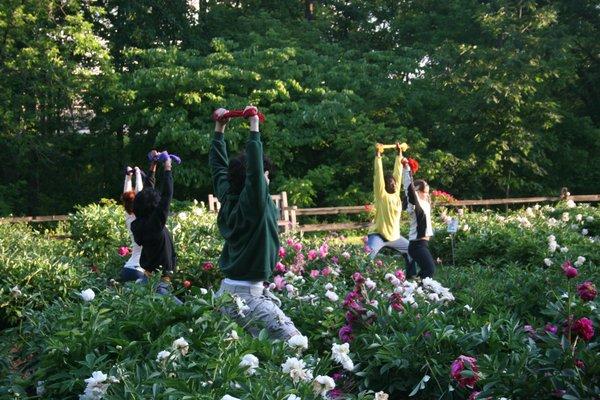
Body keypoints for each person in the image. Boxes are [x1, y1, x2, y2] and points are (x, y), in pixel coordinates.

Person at [210, 106, 301, 340]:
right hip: (247, 295)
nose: (267, 178)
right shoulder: (254, 205)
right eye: (265, 175)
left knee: (256, 355)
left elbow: (218, 168)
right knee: (296, 344)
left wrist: (219, 129)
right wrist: (254, 126)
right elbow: (254, 173)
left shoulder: (228, 196)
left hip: (226, 293)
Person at [130, 153, 180, 301]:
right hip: (160, 284)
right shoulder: (155, 224)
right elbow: (167, 195)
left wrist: (153, 166)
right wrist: (168, 167)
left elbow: (147, 194)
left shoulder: (138, 224)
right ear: (154, 207)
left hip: (148, 278)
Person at [367, 143, 411, 261]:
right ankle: (358, 278)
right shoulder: (381, 195)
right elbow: (378, 176)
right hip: (378, 235)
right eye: (391, 183)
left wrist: (399, 153)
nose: (394, 184)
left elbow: (398, 171)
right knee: (366, 257)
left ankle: (412, 276)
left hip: (394, 237)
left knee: (411, 250)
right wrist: (378, 155)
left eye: (395, 182)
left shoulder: (396, 194)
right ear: (385, 185)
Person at [119, 160, 157, 282]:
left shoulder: (129, 217)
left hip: (127, 268)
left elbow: (127, 197)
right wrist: (138, 174)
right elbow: (141, 195)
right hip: (139, 270)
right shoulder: (143, 217)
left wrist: (128, 176)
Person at [402, 157, 435, 279]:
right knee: (429, 269)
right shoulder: (415, 205)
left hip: (423, 243)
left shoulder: (425, 203)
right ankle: (419, 291)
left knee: (428, 271)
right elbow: (408, 189)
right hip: (417, 245)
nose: (427, 194)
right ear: (418, 191)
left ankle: (417, 289)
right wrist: (406, 169)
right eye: (425, 191)